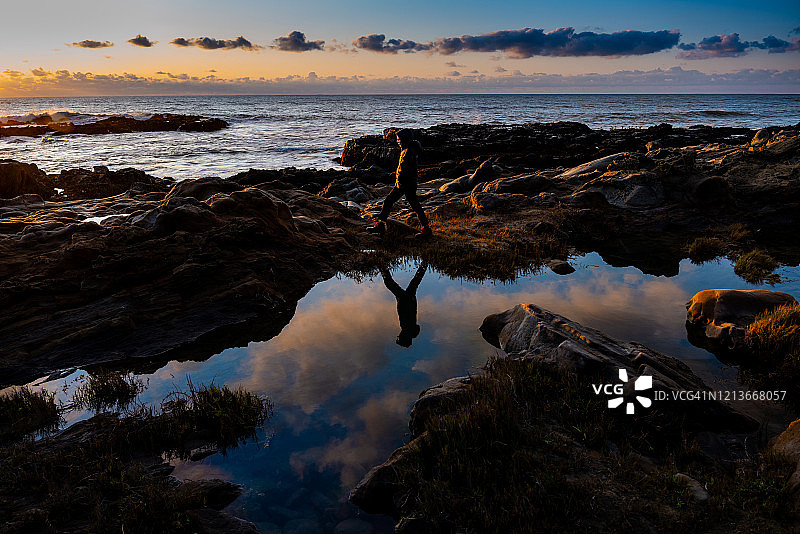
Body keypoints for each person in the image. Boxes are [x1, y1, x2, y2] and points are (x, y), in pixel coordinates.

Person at [370, 128, 432, 238]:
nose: (397, 141)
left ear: (404, 139)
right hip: (408, 182)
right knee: (414, 204)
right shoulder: (409, 149)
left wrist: (400, 182)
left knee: (388, 201)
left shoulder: (408, 151)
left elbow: (405, 169)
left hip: (404, 183)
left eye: (398, 139)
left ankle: (380, 225)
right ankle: (426, 228)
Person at [379, 261, 428, 347]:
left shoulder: (411, 332)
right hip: (405, 301)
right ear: (404, 338)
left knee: (415, 281)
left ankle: (425, 264)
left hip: (410, 302)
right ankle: (381, 264)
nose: (399, 335)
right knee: (390, 283)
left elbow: (418, 327)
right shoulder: (408, 330)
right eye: (399, 337)